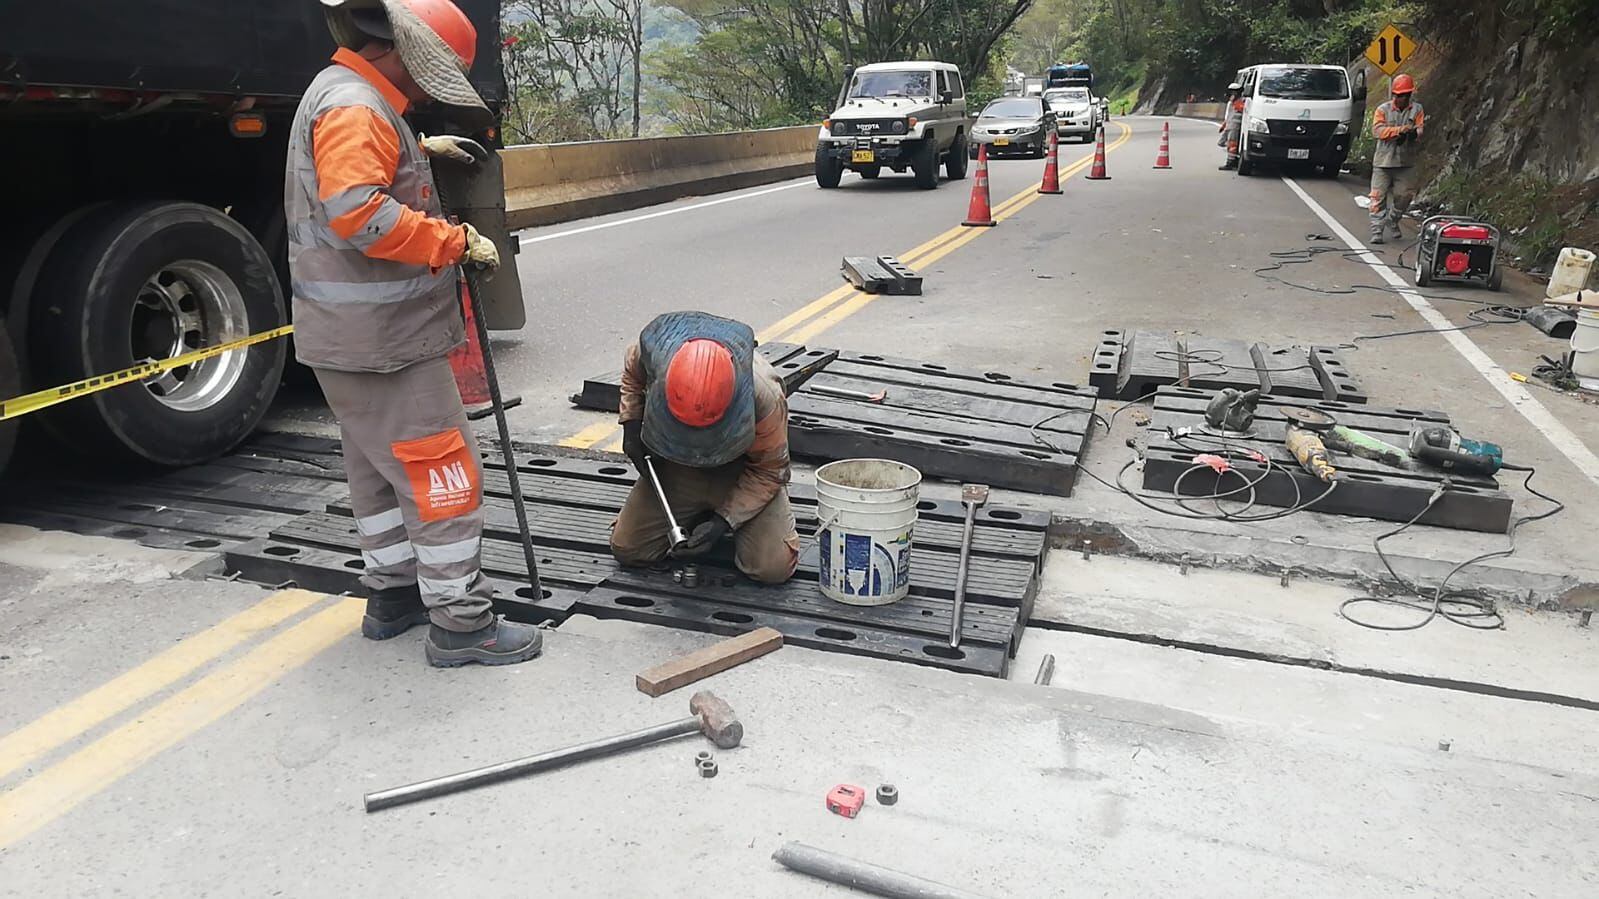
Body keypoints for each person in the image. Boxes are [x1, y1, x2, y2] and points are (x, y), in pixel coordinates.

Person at [286, 0, 543, 667]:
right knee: (443, 472)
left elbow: (344, 178)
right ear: (401, 53)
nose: (432, 89)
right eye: (433, 74)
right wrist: (453, 241)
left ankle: (393, 593)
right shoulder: (358, 109)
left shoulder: (343, 95)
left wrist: (415, 150)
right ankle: (461, 621)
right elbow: (359, 212)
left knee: (375, 471)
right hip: (386, 338)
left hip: (347, 337)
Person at [610, 312, 800, 584]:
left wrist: (722, 523)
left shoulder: (764, 396)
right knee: (629, 550)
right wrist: (631, 421)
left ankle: (722, 519)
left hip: (742, 474)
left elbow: (770, 472)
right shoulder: (656, 354)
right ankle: (694, 512)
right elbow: (633, 369)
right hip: (679, 468)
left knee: (771, 569)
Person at [1368, 73, 1425, 244]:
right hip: (1383, 161)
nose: (1402, 98)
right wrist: (1399, 131)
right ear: (1394, 95)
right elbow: (1377, 131)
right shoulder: (1382, 110)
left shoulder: (1417, 109)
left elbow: (1420, 129)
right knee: (1377, 197)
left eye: (1406, 95)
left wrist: (1414, 133)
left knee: (1405, 196)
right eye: (1399, 95)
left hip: (1405, 162)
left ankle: (1393, 219)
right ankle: (1377, 229)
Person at [1218, 82, 1244, 170]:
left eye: (1234, 92)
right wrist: (1224, 125)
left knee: (1232, 144)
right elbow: (1229, 115)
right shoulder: (1231, 103)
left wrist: (1236, 103)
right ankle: (1234, 158)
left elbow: (1242, 109)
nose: (1232, 94)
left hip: (1235, 126)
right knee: (1221, 143)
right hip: (1229, 125)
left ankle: (1231, 162)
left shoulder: (1241, 101)